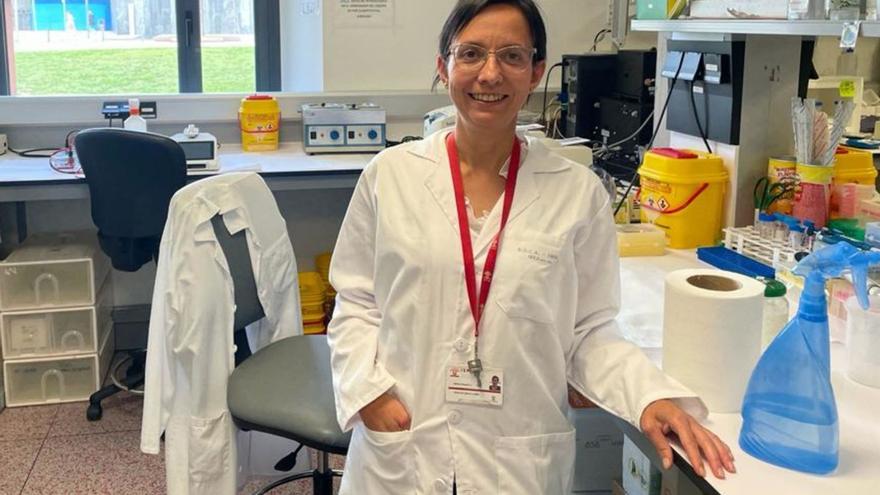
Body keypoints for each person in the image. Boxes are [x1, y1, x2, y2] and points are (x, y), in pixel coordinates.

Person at [327, 1, 736, 493]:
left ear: (537, 71)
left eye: (513, 56)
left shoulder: (576, 192)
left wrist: (648, 395)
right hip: (405, 441)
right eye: (471, 53)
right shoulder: (389, 177)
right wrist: (368, 395)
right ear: (444, 67)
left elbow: (589, 330)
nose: (490, 73)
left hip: (516, 453)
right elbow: (355, 302)